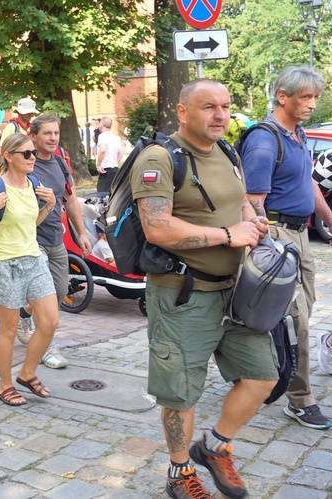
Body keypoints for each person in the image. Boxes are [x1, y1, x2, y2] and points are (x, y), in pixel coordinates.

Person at [133, 78, 274, 499]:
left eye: (226, 106)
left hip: (237, 293)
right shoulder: (160, 158)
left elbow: (239, 202)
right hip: (182, 296)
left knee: (263, 376)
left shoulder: (227, 151)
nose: (220, 115)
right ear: (182, 111)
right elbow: (156, 227)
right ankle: (180, 473)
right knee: (181, 391)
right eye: (208, 107)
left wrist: (254, 222)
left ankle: (213, 448)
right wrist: (229, 235)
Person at [239, 65, 332, 431]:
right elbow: (252, 201)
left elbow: (308, 182)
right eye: (305, 97)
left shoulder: (296, 133)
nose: (311, 104)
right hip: (278, 238)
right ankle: (300, 399)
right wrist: (267, 251)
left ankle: (259, 376)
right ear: (282, 97)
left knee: (296, 317)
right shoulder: (264, 141)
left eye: (315, 97)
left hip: (300, 239)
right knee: (297, 324)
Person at [0, 133, 58, 406]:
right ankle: (4, 385)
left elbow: (31, 225)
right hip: (3, 263)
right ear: (8, 156)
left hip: (33, 259)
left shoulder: (34, 184)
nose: (33, 158)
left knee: (50, 322)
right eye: (27, 154)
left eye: (33, 152)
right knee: (8, 330)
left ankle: (27, 373)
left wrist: (50, 206)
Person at [18, 114, 92, 370]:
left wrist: (81, 233)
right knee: (45, 296)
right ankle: (45, 348)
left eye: (56, 133)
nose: (52, 138)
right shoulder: (25, 163)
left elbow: (70, 200)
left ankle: (24, 313)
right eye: (47, 133)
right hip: (30, 240)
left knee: (60, 291)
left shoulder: (60, 164)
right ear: (34, 136)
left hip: (55, 239)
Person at [96, 116, 123, 193]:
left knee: (102, 194)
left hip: (105, 170)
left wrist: (99, 164)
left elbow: (102, 150)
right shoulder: (116, 138)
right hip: (115, 169)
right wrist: (114, 163)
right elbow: (120, 154)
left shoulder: (102, 136)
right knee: (113, 194)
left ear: (101, 125)